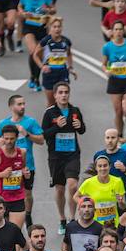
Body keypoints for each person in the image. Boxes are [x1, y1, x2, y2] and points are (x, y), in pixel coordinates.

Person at [43, 82, 86, 231]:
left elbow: (82, 130)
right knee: (60, 189)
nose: (63, 95)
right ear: (55, 95)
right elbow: (44, 135)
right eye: (60, 92)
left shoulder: (75, 110)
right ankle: (62, 218)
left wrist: (79, 125)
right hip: (56, 157)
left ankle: (73, 218)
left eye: (66, 92)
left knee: (73, 185)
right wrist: (56, 127)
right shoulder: (50, 113)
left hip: (72, 155)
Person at [4, 92, 46, 228]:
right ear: (11, 106)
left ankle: (27, 215)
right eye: (19, 104)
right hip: (10, 167)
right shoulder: (4, 123)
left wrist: (26, 133)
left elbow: (41, 140)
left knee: (27, 193)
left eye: (24, 104)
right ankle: (10, 217)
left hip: (28, 165)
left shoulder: (30, 122)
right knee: (11, 192)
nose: (23, 106)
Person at [0, 127, 30, 226]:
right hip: (1, 199)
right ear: (2, 138)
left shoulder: (22, 152)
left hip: (18, 197)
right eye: (6, 138)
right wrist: (2, 174)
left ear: (17, 138)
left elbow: (23, 169)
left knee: (15, 232)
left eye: (12, 139)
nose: (9, 141)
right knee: (1, 233)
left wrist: (26, 174)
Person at [17, 0, 55, 91]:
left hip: (42, 27)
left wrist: (48, 10)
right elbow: (19, 8)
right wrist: (23, 13)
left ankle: (36, 78)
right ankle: (34, 78)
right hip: (29, 27)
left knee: (39, 53)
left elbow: (54, 10)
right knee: (33, 50)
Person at [102, 18, 126, 132]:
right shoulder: (107, 47)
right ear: (112, 31)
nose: (118, 32)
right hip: (115, 81)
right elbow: (104, 64)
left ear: (123, 31)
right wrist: (106, 71)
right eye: (116, 29)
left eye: (120, 29)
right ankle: (120, 136)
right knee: (118, 111)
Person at [33, 14, 76, 107]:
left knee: (63, 101)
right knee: (51, 103)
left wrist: (71, 67)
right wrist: (42, 66)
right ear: (50, 28)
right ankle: (49, 120)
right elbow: (35, 55)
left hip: (62, 73)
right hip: (49, 74)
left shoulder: (66, 41)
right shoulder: (46, 41)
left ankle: (63, 120)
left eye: (59, 26)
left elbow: (68, 54)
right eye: (54, 27)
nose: (57, 29)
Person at [78, 153, 126, 229]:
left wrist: (120, 202)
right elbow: (76, 197)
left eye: (105, 165)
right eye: (100, 166)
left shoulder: (117, 181)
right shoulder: (88, 182)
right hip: (95, 224)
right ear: (96, 168)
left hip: (113, 224)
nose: (103, 168)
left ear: (109, 166)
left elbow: (123, 207)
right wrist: (86, 206)